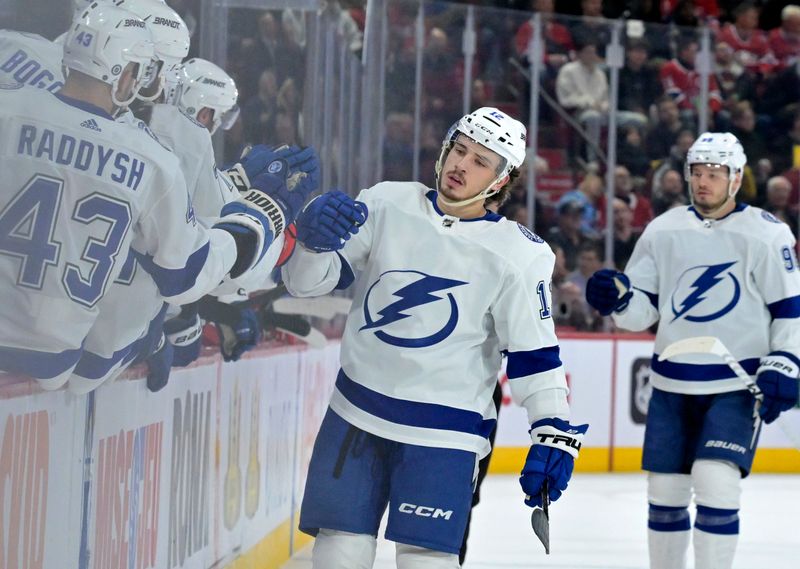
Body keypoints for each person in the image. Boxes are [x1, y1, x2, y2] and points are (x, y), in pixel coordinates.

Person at [282, 107, 588, 568]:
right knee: (338, 550)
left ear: (502, 181)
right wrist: (310, 245)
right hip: (355, 412)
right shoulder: (386, 203)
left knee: (426, 559)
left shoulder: (520, 254)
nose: (461, 165)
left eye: (481, 161)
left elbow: (535, 354)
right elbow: (308, 283)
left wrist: (551, 432)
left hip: (446, 433)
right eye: (459, 150)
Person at [0, 4, 297, 391]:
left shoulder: (11, 92)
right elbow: (187, 272)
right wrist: (254, 220)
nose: (157, 85)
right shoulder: (151, 153)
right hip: (59, 350)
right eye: (153, 70)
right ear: (129, 67)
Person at [585, 132, 800, 569]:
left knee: (716, 481)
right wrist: (619, 299)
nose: (703, 182)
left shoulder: (765, 233)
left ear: (736, 178)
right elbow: (641, 310)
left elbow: (789, 307)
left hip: (736, 381)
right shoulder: (663, 229)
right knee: (664, 492)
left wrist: (787, 359)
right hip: (671, 380)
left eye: (714, 174)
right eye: (697, 173)